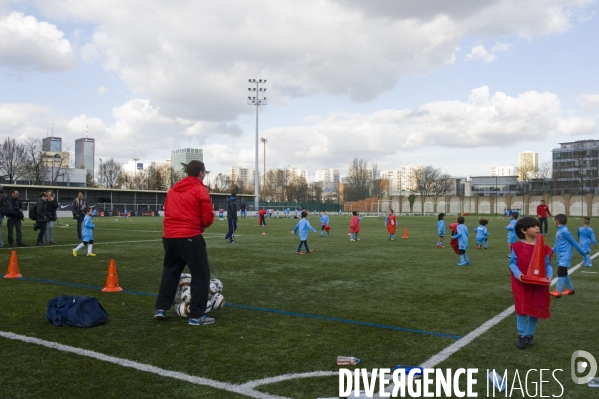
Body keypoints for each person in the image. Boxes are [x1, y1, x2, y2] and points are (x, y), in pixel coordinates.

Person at [154, 160, 215, 325]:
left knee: (170, 272)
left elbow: (167, 210)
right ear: (201, 173)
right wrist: (199, 226)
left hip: (169, 236)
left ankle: (161, 308)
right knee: (201, 275)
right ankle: (196, 315)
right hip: (189, 235)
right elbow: (208, 217)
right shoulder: (200, 189)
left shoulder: (173, 190)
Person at [509, 217, 553, 349]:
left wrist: (550, 275)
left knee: (535, 309)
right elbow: (512, 263)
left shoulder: (543, 247)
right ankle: (521, 335)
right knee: (522, 309)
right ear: (524, 230)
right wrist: (518, 274)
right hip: (522, 283)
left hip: (538, 284)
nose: (537, 228)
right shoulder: (517, 246)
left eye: (538, 226)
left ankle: (530, 335)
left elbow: (547, 264)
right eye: (533, 226)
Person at [550, 214, 589, 298]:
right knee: (564, 272)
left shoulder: (565, 231)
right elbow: (557, 244)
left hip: (565, 256)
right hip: (560, 256)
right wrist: (551, 251)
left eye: (554, 221)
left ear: (556, 222)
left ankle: (558, 291)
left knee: (560, 272)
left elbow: (574, 242)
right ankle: (570, 289)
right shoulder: (559, 231)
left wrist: (583, 253)